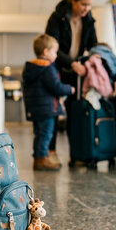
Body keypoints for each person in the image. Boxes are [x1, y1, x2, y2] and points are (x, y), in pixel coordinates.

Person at [45, 0, 98, 166]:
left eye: (89, 6)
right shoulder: (58, 17)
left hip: (77, 72)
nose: (86, 9)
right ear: (74, 0)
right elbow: (52, 47)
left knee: (74, 112)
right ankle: (49, 152)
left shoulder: (89, 20)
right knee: (52, 111)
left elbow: (93, 45)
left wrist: (91, 61)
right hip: (56, 68)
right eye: (84, 4)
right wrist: (71, 62)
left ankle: (76, 154)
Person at [22, 34, 75, 171]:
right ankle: (42, 159)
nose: (56, 55)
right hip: (46, 109)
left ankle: (38, 158)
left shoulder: (31, 68)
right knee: (46, 134)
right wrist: (70, 89)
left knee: (39, 134)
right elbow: (56, 87)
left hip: (36, 108)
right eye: (55, 52)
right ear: (46, 52)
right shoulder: (47, 68)